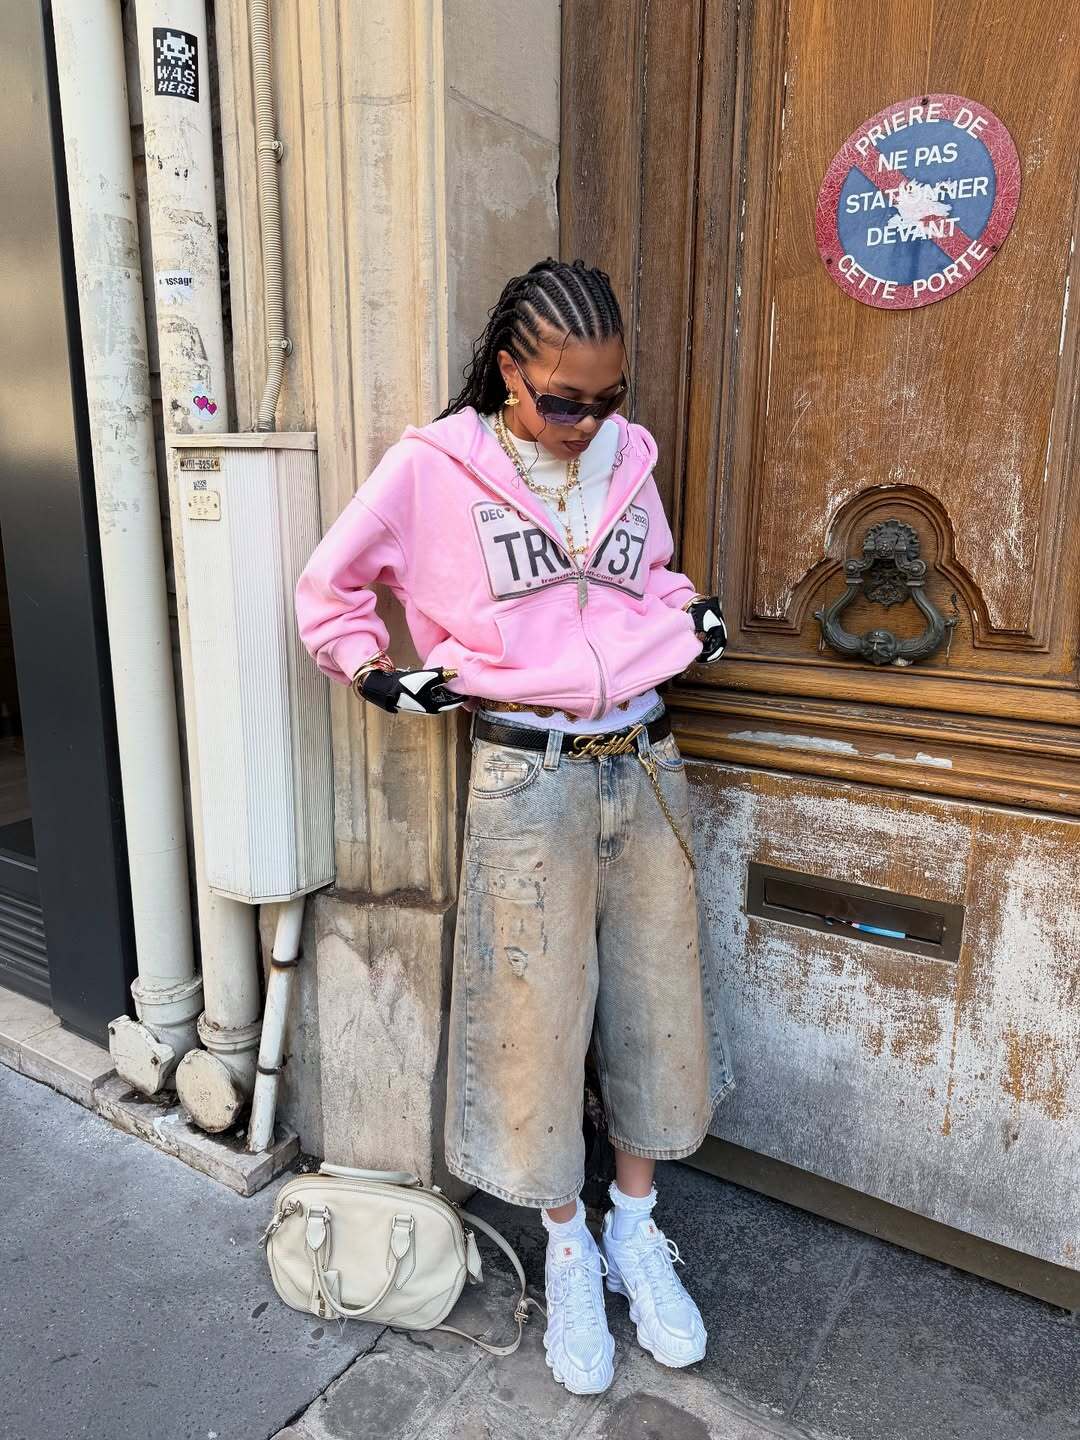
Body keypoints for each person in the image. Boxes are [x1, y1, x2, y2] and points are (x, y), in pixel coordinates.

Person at [295, 257, 734, 1396]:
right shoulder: (432, 467)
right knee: (532, 1017)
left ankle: (634, 1224)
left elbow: (647, 578)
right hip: (526, 777)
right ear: (508, 372)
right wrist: (376, 672)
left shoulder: (626, 456)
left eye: (609, 397)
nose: (589, 423)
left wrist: (689, 611)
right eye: (564, 400)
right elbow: (330, 590)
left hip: (646, 761)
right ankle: (567, 1245)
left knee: (656, 998)